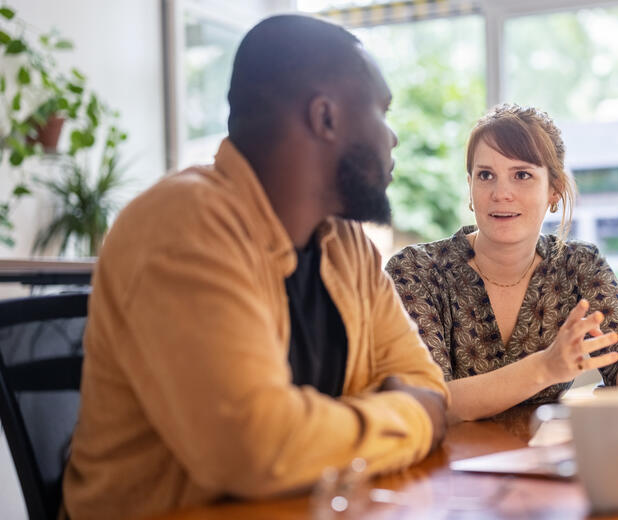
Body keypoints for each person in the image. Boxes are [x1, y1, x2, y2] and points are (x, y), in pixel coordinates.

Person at [62, 15, 448, 520]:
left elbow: (428, 383)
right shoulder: (184, 225)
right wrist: (410, 417)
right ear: (325, 117)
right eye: (383, 111)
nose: (393, 137)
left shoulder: (346, 244)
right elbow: (256, 447)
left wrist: (379, 417)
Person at [385, 104, 618, 421]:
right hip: (442, 467)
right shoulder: (415, 271)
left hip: (543, 461)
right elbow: (427, 402)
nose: (501, 193)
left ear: (555, 189)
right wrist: (546, 366)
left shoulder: (580, 266)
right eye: (486, 176)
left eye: (522, 175)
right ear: (470, 187)